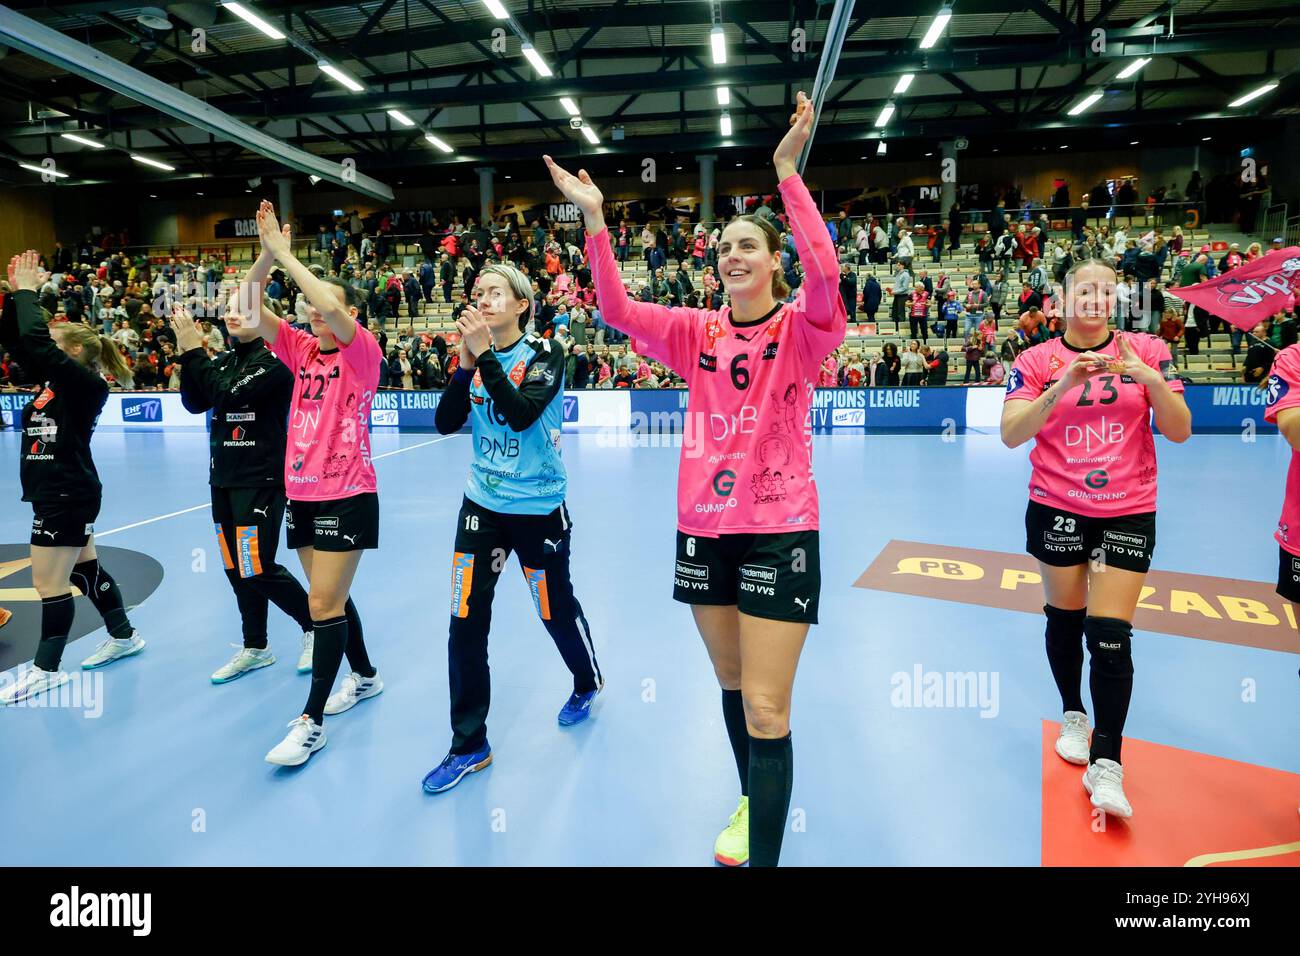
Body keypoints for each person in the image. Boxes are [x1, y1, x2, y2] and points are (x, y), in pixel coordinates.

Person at [544, 89, 846, 868]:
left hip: (779, 532)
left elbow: (826, 271)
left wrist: (786, 172)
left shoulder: (805, 331)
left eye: (748, 246)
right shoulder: (695, 331)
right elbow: (612, 307)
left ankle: (766, 850)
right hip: (703, 533)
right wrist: (596, 220)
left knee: (770, 707)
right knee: (734, 682)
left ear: (773, 260)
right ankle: (754, 799)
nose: (732, 257)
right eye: (722, 250)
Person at [1001, 260, 1191, 819]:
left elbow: (1179, 430)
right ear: (1061, 301)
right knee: (1065, 616)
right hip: (1058, 507)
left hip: (1126, 511)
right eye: (1085, 289)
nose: (1097, 298)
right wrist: (1064, 383)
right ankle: (1073, 713)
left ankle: (1107, 764)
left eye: (1108, 291)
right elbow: (1013, 434)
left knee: (1110, 632)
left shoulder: (1148, 350)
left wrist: (1148, 377)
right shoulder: (1035, 359)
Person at [422, 263, 602, 793]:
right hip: (481, 507)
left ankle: (586, 680)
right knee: (464, 619)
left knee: (553, 609)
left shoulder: (548, 353)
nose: (484, 298)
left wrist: (485, 358)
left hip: (539, 509)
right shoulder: (477, 360)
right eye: (479, 292)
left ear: (522, 304)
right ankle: (469, 743)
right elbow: (444, 423)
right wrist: (462, 367)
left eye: (496, 292)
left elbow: (522, 414)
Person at [250, 202, 385, 768]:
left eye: (324, 308)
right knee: (332, 598)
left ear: (349, 314)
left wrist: (287, 256)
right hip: (300, 494)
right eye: (308, 309)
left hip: (347, 492)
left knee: (322, 601)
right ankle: (367, 676)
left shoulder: (363, 353)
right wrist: (263, 257)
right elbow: (245, 306)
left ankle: (312, 723)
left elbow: (326, 301)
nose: (313, 314)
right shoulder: (301, 348)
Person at [0, 250, 143, 706]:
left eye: (54, 342)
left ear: (75, 351)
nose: (43, 349)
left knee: (49, 584)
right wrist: (12, 297)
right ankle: (123, 636)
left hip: (67, 492)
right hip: (58, 490)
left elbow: (35, 344)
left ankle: (46, 670)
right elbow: (21, 344)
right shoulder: (56, 382)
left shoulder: (85, 383)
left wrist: (28, 292)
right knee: (85, 569)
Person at [175, 282, 316, 684]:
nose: (232, 316)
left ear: (266, 317)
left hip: (261, 479)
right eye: (229, 310)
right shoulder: (222, 362)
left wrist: (192, 350)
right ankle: (256, 646)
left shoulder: (274, 363)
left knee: (257, 565)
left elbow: (228, 396)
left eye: (242, 310)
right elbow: (195, 401)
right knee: (236, 567)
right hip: (223, 479)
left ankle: (315, 627)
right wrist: (193, 360)